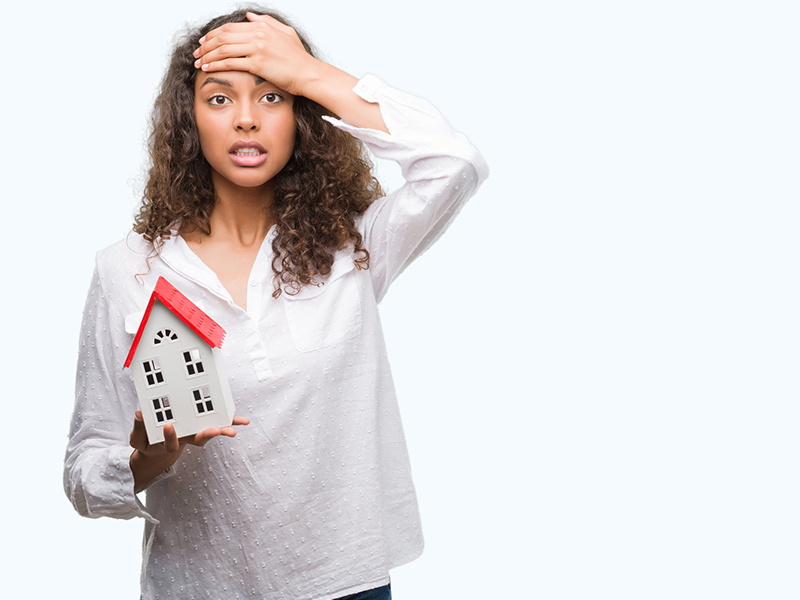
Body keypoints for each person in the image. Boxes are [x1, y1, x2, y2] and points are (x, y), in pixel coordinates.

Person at [64, 6, 488, 600]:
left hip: (347, 583)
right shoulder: (127, 270)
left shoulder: (353, 245)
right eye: (218, 99)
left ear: (301, 116)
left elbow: (455, 163)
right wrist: (150, 459)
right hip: (197, 588)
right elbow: (84, 471)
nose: (245, 120)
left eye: (271, 98)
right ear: (189, 122)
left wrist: (307, 70)